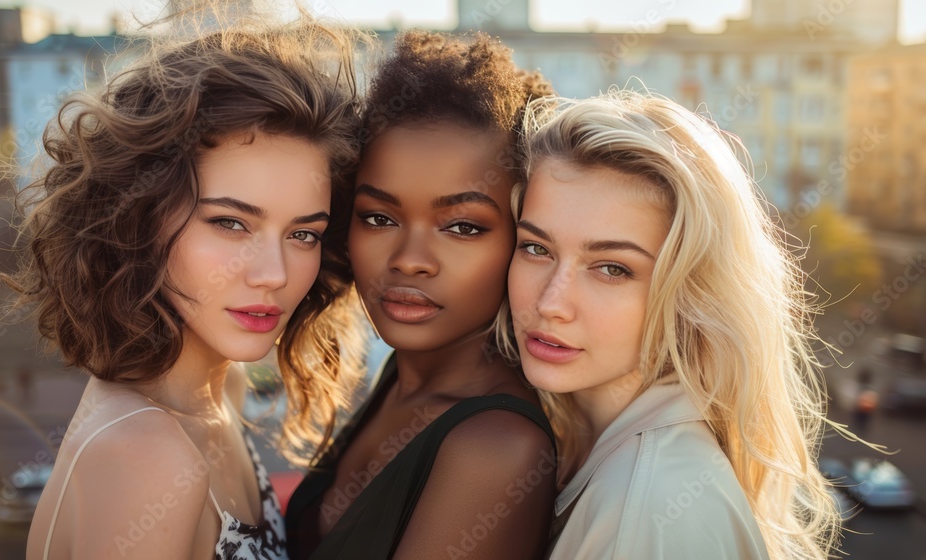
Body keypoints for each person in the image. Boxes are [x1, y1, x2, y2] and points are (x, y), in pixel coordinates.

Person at [0, 19, 364, 560]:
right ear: (140, 219)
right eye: (230, 223)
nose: (275, 273)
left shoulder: (221, 392)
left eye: (302, 234)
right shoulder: (146, 456)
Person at [498, 90, 842, 559]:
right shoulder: (595, 454)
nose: (552, 302)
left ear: (689, 291)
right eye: (536, 248)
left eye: (612, 268)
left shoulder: (647, 512)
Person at [285, 30, 557, 560]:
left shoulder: (497, 449)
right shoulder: (403, 378)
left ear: (522, 238)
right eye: (379, 217)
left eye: (462, 227)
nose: (409, 259)